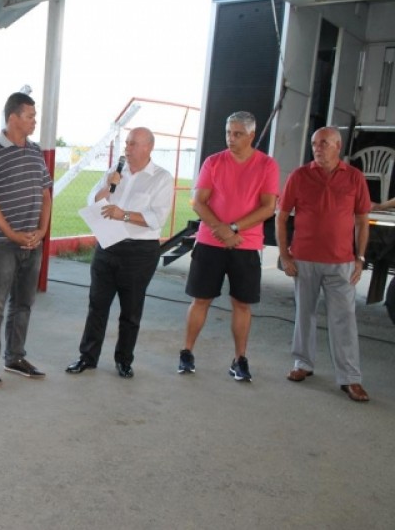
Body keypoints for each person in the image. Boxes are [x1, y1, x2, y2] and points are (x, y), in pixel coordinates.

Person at [178, 111, 279, 381]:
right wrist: (221, 229)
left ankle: (239, 359)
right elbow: (199, 202)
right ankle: (186, 353)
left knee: (242, 305)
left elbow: (268, 207)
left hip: (245, 245)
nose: (230, 139)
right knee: (200, 300)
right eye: (228, 133)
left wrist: (232, 228)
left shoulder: (267, 165)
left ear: (251, 135)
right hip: (210, 243)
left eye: (237, 134)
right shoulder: (213, 162)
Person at [66, 128, 174, 378]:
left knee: (131, 310)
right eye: (126, 142)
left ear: (148, 147)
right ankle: (87, 357)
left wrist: (123, 215)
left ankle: (124, 360)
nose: (127, 147)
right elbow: (93, 200)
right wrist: (107, 187)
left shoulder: (161, 178)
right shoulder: (115, 172)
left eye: (133, 143)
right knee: (97, 305)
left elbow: (157, 218)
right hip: (107, 246)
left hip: (139, 251)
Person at [276, 127, 371, 402]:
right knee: (304, 314)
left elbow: (362, 220)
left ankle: (350, 378)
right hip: (304, 260)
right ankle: (302, 364)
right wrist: (285, 256)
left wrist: (360, 257)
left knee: (344, 319)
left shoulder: (354, 177)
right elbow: (281, 217)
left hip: (341, 262)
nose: (318, 148)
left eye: (324, 143)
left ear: (338, 146)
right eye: (315, 143)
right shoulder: (299, 176)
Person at [0, 92, 52, 386]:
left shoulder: (35, 151)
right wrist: (12, 234)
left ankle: (15, 357)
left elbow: (45, 194)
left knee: (23, 304)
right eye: (30, 116)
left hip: (32, 241)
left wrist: (41, 232)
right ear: (13, 118)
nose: (34, 121)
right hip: (2, 243)